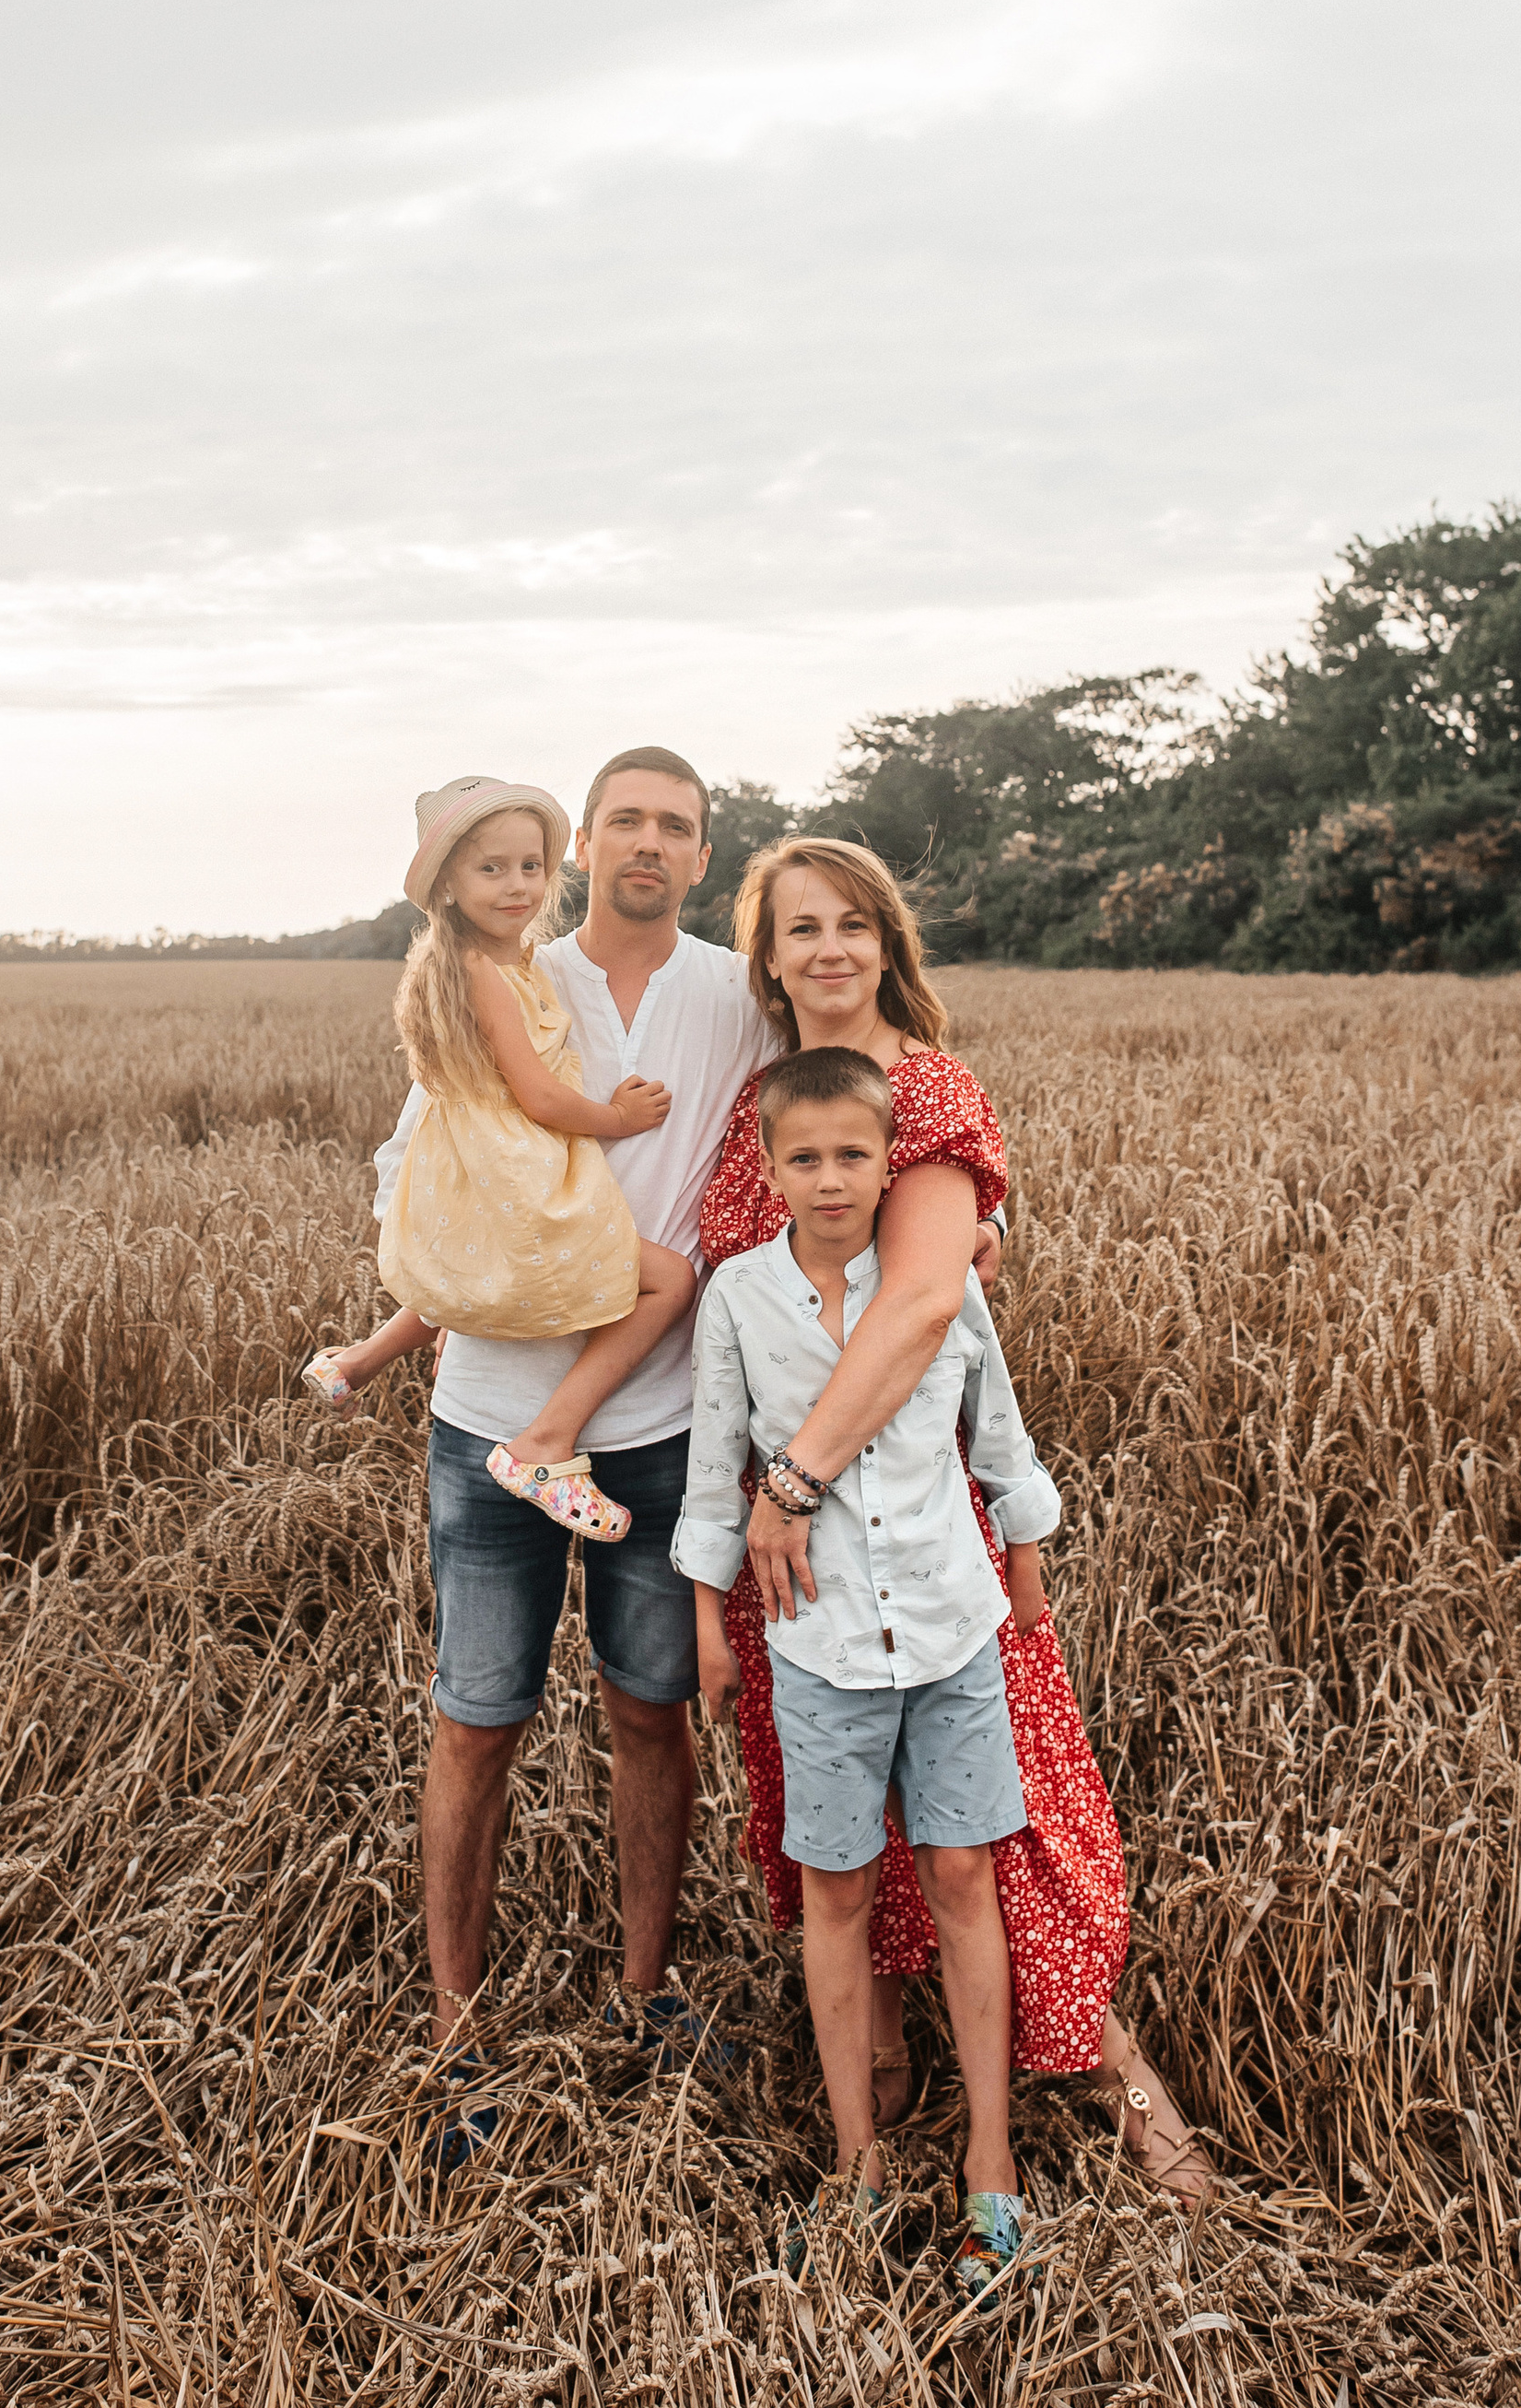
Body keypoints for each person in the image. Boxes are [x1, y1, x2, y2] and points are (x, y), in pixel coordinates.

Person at [699, 833, 1213, 2207]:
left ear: (889, 944)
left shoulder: (920, 1090)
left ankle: (1119, 2083)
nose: (827, 948)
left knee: (999, 1825)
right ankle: (886, 2083)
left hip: (905, 1532)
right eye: (799, 926)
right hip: (789, 1564)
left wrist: (790, 1483)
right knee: (839, 1833)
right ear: (766, 957)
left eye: (854, 923)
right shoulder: (766, 1111)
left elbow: (928, 1306)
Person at [360, 750, 781, 2117]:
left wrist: (978, 1216)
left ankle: (646, 1992)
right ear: (585, 844)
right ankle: (456, 2028)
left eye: (680, 825)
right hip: (487, 1416)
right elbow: (412, 1157)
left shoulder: (737, 992)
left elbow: (858, 1103)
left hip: (660, 1428)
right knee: (480, 1719)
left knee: (650, 1713)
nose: (651, 843)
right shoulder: (519, 976)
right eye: (627, 823)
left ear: (704, 855)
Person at [677, 1043, 1058, 2296]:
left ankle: (989, 2172)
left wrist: (1029, 1588)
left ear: (892, 1159)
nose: (832, 1177)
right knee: (834, 1889)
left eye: (856, 1153)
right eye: (806, 1157)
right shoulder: (736, 1294)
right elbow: (714, 1460)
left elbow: (996, 1434)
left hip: (952, 1625)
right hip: (819, 1641)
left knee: (962, 1870)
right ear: (770, 1169)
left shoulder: (933, 1282)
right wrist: (705, 1619)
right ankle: (857, 2169)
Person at [304, 776, 698, 1543]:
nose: (516, 884)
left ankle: (353, 1363)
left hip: (474, 1169)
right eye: (491, 869)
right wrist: (618, 1117)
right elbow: (542, 1098)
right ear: (448, 882)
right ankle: (544, 1444)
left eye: (529, 867)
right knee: (671, 1278)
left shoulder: (482, 963)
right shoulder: (484, 974)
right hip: (518, 1166)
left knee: (476, 1272)